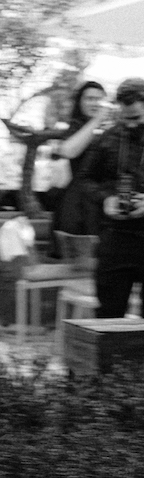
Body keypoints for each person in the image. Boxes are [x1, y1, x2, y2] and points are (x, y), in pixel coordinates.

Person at [79, 77, 144, 318]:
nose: (129, 125)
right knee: (109, 317)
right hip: (115, 238)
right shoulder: (106, 138)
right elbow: (84, 179)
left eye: (136, 119)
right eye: (125, 118)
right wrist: (105, 199)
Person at [50, 81, 113, 251]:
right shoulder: (77, 126)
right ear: (80, 102)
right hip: (79, 201)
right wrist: (97, 120)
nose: (95, 103)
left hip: (105, 197)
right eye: (90, 99)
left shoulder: (112, 130)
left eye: (99, 100)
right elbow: (69, 151)